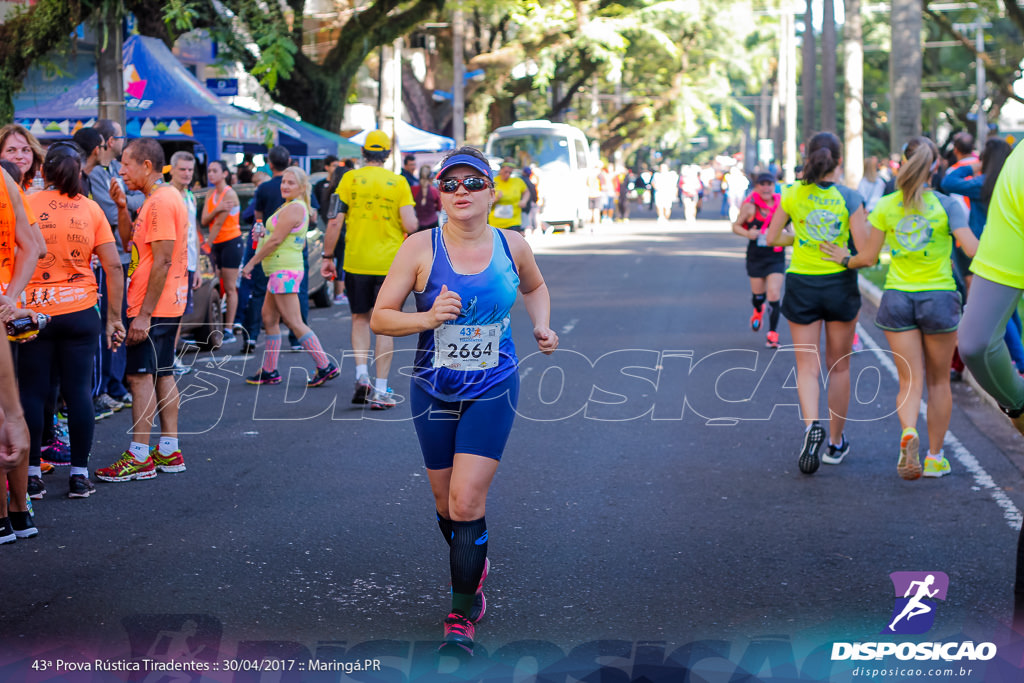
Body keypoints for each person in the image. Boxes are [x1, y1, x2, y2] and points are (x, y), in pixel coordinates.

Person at [370, 146, 558, 655]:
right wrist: (426, 319)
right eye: (450, 184)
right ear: (439, 193)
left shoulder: (512, 244)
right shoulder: (418, 248)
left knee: (466, 501)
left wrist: (540, 324)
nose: (461, 193)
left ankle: (461, 611)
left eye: (472, 183)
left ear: (492, 193)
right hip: (433, 386)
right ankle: (471, 553)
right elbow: (381, 318)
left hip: (493, 383)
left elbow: (536, 288)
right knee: (444, 504)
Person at [821, 136, 977, 479]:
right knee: (939, 382)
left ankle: (909, 431)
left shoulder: (887, 205)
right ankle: (935, 457)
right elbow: (971, 250)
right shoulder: (948, 205)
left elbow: (868, 258)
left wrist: (844, 257)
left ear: (903, 162)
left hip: (897, 299)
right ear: (935, 165)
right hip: (939, 298)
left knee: (910, 380)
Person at [21, 142, 126, 501]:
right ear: (80, 172)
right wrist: (114, 320)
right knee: (79, 392)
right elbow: (113, 266)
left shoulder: (25, 204)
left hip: (34, 312)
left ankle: (31, 475)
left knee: (33, 393)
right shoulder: (92, 210)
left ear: (43, 172)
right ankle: (79, 476)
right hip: (81, 311)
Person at [764, 131, 867, 475]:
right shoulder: (850, 197)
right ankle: (835, 444)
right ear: (838, 162)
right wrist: (843, 255)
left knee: (807, 366)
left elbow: (771, 237)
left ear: (808, 157)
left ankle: (812, 427)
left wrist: (802, 237)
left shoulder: (792, 194)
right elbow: (865, 253)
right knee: (839, 366)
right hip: (839, 283)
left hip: (802, 284)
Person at [94, 138, 189, 483]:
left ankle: (139, 456)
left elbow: (163, 259)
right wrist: (121, 207)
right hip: (163, 301)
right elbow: (130, 246)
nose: (120, 170)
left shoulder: (162, 201)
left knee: (139, 377)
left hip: (155, 304)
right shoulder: (156, 200)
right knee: (162, 373)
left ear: (146, 166)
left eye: (127, 164)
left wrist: (144, 314)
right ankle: (168, 449)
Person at [321, 130, 417, 409]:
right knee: (384, 324)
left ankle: (362, 375)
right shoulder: (398, 182)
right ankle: (381, 390)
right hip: (390, 265)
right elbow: (411, 225)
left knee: (360, 319)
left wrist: (328, 256)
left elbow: (334, 221)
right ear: (387, 155)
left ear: (364, 152)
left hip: (355, 261)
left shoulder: (349, 179)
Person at [241, 166, 339, 387]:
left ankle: (325, 366)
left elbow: (277, 241)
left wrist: (250, 263)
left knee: (294, 321)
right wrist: (264, 234)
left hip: (284, 271)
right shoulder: (290, 207)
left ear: (302, 187)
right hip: (279, 270)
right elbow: (282, 238)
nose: (285, 186)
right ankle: (269, 370)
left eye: (291, 183)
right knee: (269, 318)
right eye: (283, 182)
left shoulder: (295, 208)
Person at [0, 165, 46, 542]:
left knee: (8, 412)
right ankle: (17, 512)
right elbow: (33, 245)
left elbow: (35, 246)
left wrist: (11, 297)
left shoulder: (6, 182)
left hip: (7, 309)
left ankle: (10, 513)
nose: (17, 155)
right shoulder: (6, 180)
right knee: (9, 412)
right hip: (9, 308)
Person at [732, 173, 785, 348]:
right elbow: (735, 226)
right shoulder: (750, 207)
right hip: (756, 256)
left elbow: (791, 226)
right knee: (758, 297)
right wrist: (748, 233)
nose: (766, 188)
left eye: (769, 184)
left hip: (776, 255)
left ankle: (772, 334)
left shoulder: (782, 205)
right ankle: (758, 309)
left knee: (774, 294)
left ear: (774, 186)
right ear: (756, 187)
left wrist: (787, 234)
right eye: (762, 184)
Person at [201, 160, 243, 344]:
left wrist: (207, 245)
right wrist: (217, 209)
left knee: (230, 286)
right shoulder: (211, 193)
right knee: (218, 285)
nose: (211, 174)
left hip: (230, 242)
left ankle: (229, 328)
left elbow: (218, 223)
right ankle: (221, 326)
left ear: (225, 173)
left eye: (215, 170)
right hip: (216, 242)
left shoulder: (230, 194)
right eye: (209, 170)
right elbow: (204, 220)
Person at [168, 151, 203, 362]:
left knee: (180, 311)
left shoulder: (190, 196)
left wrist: (197, 266)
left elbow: (194, 235)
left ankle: (172, 356)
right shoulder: (166, 194)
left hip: (188, 263)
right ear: (171, 170)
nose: (187, 174)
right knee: (169, 312)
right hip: (172, 264)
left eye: (190, 170)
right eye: (182, 169)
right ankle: (167, 357)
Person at [0, 124, 44, 191]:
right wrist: (26, 199)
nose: (19, 156)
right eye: (11, 150)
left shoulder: (34, 185)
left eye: (26, 150)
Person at [412, 165, 441, 232]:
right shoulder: (434, 191)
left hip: (419, 226)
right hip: (433, 225)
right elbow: (439, 208)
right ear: (430, 177)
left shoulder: (413, 190)